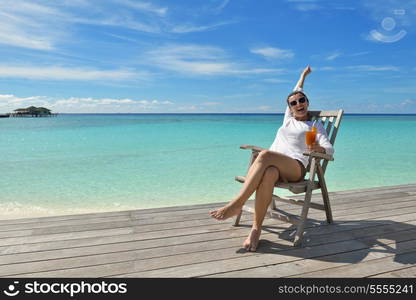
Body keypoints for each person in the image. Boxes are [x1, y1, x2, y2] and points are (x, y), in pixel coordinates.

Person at [209, 65, 334, 251]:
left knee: (265, 154)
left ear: (307, 102)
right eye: (294, 103)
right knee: (268, 173)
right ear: (290, 108)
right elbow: (297, 88)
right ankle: (255, 230)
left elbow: (330, 149)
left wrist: (319, 148)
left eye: (302, 100)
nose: (298, 104)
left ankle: (237, 203)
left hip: (296, 168)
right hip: (275, 167)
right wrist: (302, 75)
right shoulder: (288, 119)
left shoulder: (314, 126)